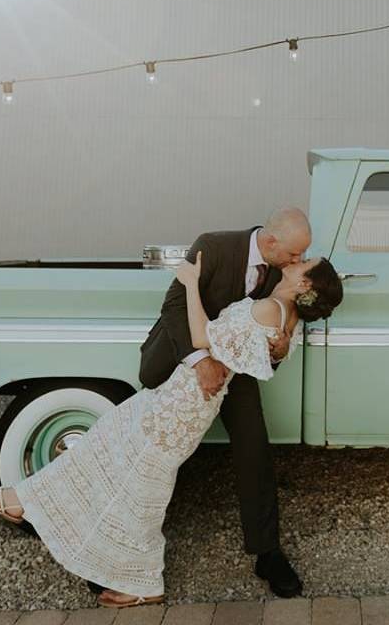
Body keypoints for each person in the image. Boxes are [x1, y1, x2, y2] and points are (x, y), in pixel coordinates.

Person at [0, 248, 343, 608]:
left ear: (305, 284)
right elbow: (260, 353)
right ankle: (24, 499)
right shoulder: (287, 320)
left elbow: (200, 338)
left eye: (305, 263)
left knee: (138, 481)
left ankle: (140, 581)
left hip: (183, 402)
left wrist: (191, 283)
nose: (297, 261)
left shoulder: (268, 309)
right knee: (107, 444)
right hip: (186, 399)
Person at [137, 207, 313, 598]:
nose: (298, 262)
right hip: (181, 358)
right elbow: (173, 307)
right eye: (294, 255)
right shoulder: (212, 246)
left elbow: (275, 336)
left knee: (255, 450)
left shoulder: (283, 276)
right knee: (153, 451)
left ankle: (268, 553)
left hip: (236, 370)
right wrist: (199, 361)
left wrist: (279, 351)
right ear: (270, 243)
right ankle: (127, 538)